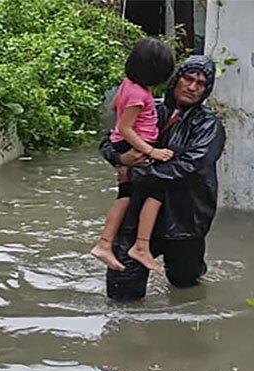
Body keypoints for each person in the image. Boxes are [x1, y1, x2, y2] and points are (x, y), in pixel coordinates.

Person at [98, 55, 225, 300]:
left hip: (184, 219)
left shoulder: (208, 126)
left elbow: (189, 167)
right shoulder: (148, 108)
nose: (192, 87)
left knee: (185, 284)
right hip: (136, 214)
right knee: (122, 288)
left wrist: (136, 173)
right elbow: (110, 140)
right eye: (188, 79)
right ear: (176, 79)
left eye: (200, 84)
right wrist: (120, 159)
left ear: (206, 90)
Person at [89, 38, 175, 273]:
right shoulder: (140, 95)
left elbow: (114, 107)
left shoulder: (128, 84)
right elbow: (126, 127)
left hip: (123, 145)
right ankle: (141, 246)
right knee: (156, 193)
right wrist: (150, 150)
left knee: (126, 196)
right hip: (137, 146)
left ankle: (104, 243)